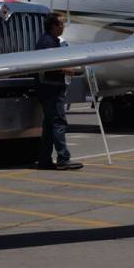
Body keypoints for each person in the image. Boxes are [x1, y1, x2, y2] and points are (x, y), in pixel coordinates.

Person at [35, 13, 82, 170]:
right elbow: (49, 65)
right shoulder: (48, 43)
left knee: (49, 125)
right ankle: (63, 158)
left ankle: (44, 159)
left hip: (50, 87)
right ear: (54, 26)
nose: (63, 27)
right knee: (58, 122)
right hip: (51, 88)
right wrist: (70, 70)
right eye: (61, 24)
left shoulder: (51, 41)